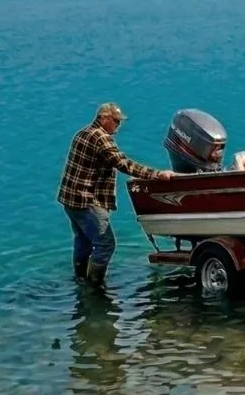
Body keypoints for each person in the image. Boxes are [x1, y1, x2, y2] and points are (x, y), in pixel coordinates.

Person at [57, 102, 174, 286]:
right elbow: (123, 164)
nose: (118, 127)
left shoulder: (82, 133)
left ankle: (80, 278)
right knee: (105, 244)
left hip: (70, 200)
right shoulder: (101, 138)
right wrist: (157, 175)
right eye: (116, 122)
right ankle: (95, 286)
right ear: (103, 118)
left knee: (83, 241)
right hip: (87, 200)